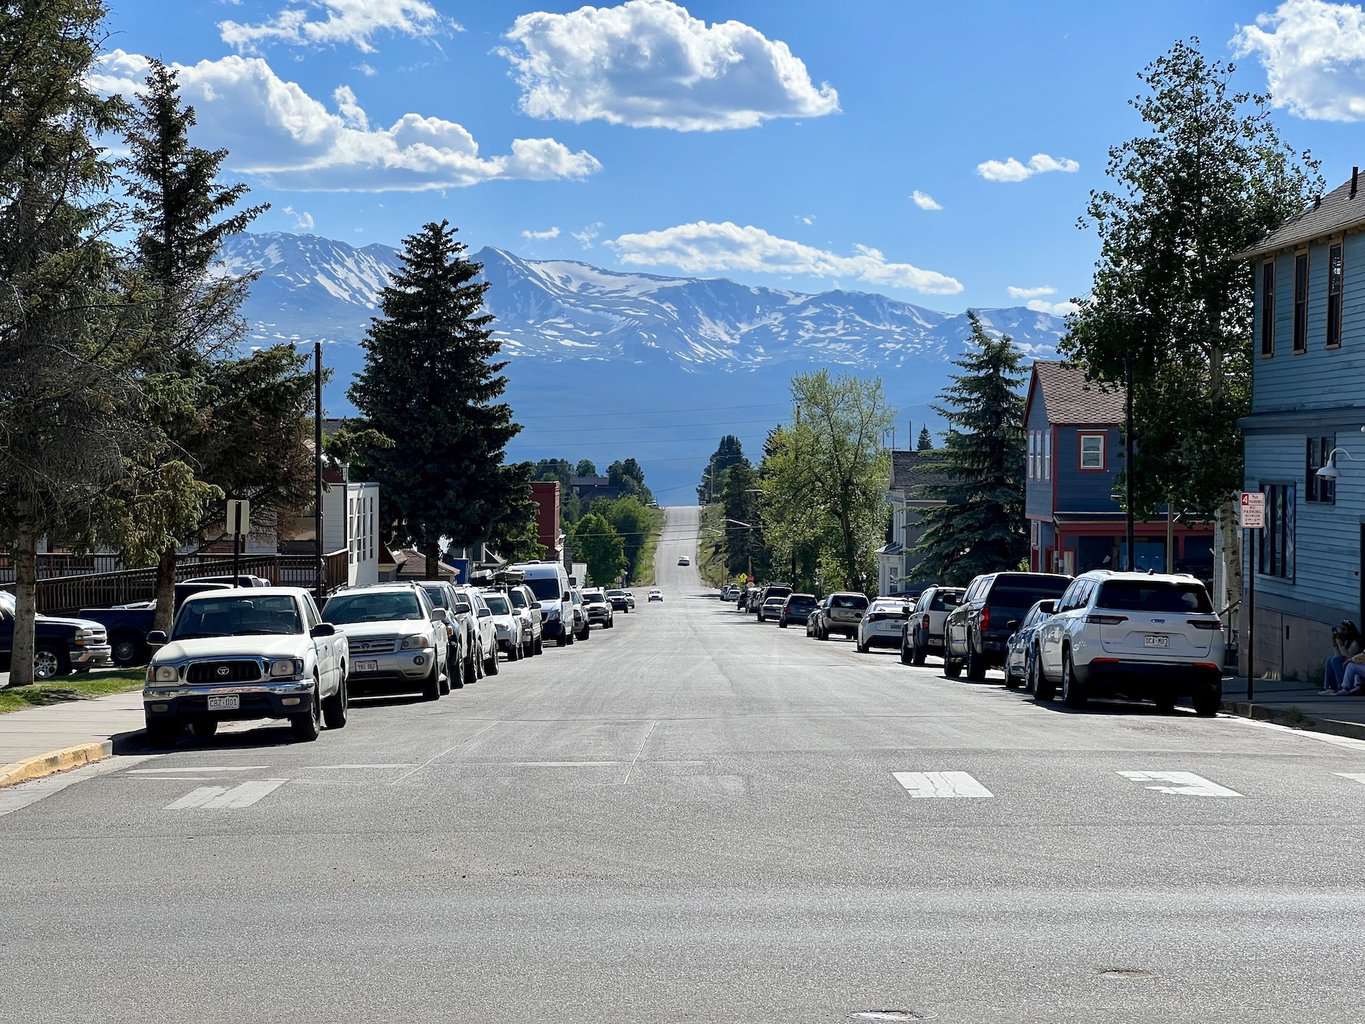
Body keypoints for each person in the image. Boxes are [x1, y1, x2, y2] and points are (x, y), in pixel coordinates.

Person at [1321, 621, 1363, 694]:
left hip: (1353, 667)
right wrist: (1335, 644)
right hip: (1345, 664)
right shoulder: (1346, 640)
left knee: (1335, 660)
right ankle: (1330, 687)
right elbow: (1337, 655)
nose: (1342, 632)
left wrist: (1340, 644)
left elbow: (1347, 656)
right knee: (1330, 659)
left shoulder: (1355, 642)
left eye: (1344, 629)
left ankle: (1340, 686)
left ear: (1350, 631)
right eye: (1341, 629)